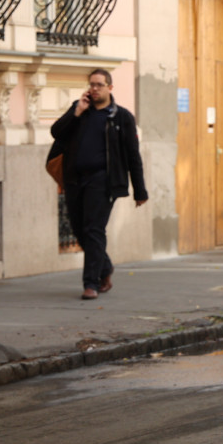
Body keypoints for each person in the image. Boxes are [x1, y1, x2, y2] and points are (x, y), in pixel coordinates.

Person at [50, 69, 148, 300]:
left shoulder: (121, 117)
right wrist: (76, 113)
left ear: (109, 88)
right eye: (91, 84)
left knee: (94, 230)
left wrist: (139, 190)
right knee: (78, 229)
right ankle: (105, 267)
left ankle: (91, 283)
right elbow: (56, 132)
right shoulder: (80, 109)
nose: (94, 89)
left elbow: (133, 155)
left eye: (99, 85)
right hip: (74, 179)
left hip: (103, 181)